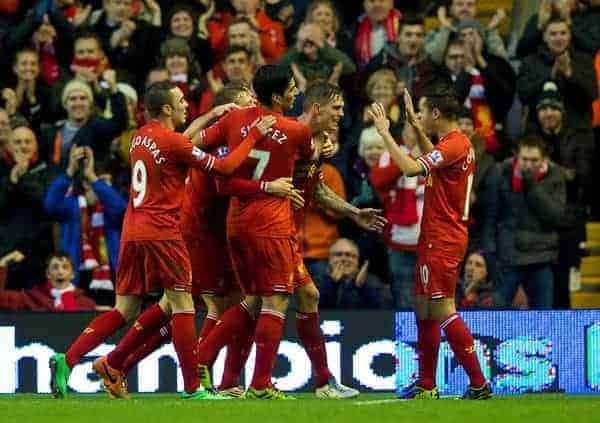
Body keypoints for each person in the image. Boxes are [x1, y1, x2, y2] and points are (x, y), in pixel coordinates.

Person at [48, 80, 270, 400]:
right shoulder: (172, 143)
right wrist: (253, 136)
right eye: (180, 101)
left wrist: (212, 115)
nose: (185, 106)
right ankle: (194, 388)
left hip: (132, 229)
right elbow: (225, 166)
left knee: (124, 308)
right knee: (182, 305)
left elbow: (180, 140)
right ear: (167, 108)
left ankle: (66, 359)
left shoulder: (141, 137)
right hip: (164, 231)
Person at [369, 84, 492, 399]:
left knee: (441, 307)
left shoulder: (454, 144)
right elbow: (431, 158)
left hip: (443, 237)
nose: (419, 115)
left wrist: (385, 133)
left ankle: (479, 383)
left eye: (422, 111)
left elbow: (411, 168)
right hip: (437, 235)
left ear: (436, 114)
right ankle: (427, 384)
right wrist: (413, 125)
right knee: (423, 307)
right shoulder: (455, 144)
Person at [482, 136, 566, 309]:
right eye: (524, 160)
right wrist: (490, 254)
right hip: (509, 257)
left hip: (542, 256)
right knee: (498, 311)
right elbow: (490, 217)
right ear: (515, 157)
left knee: (544, 315)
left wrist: (532, 186)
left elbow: (555, 216)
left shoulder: (554, 175)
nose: (528, 165)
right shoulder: (500, 172)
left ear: (544, 159)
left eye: (534, 160)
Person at [0, 251, 98, 311]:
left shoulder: (87, 304)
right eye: (55, 267)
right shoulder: (31, 298)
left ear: (72, 274)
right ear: (48, 274)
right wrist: (2, 264)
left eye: (65, 267)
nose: (60, 271)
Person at [317, 238, 389, 309]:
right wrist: (331, 284)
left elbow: (383, 311)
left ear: (357, 260)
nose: (344, 259)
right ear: (330, 259)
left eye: (349, 255)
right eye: (338, 254)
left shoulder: (372, 282)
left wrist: (363, 287)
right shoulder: (317, 282)